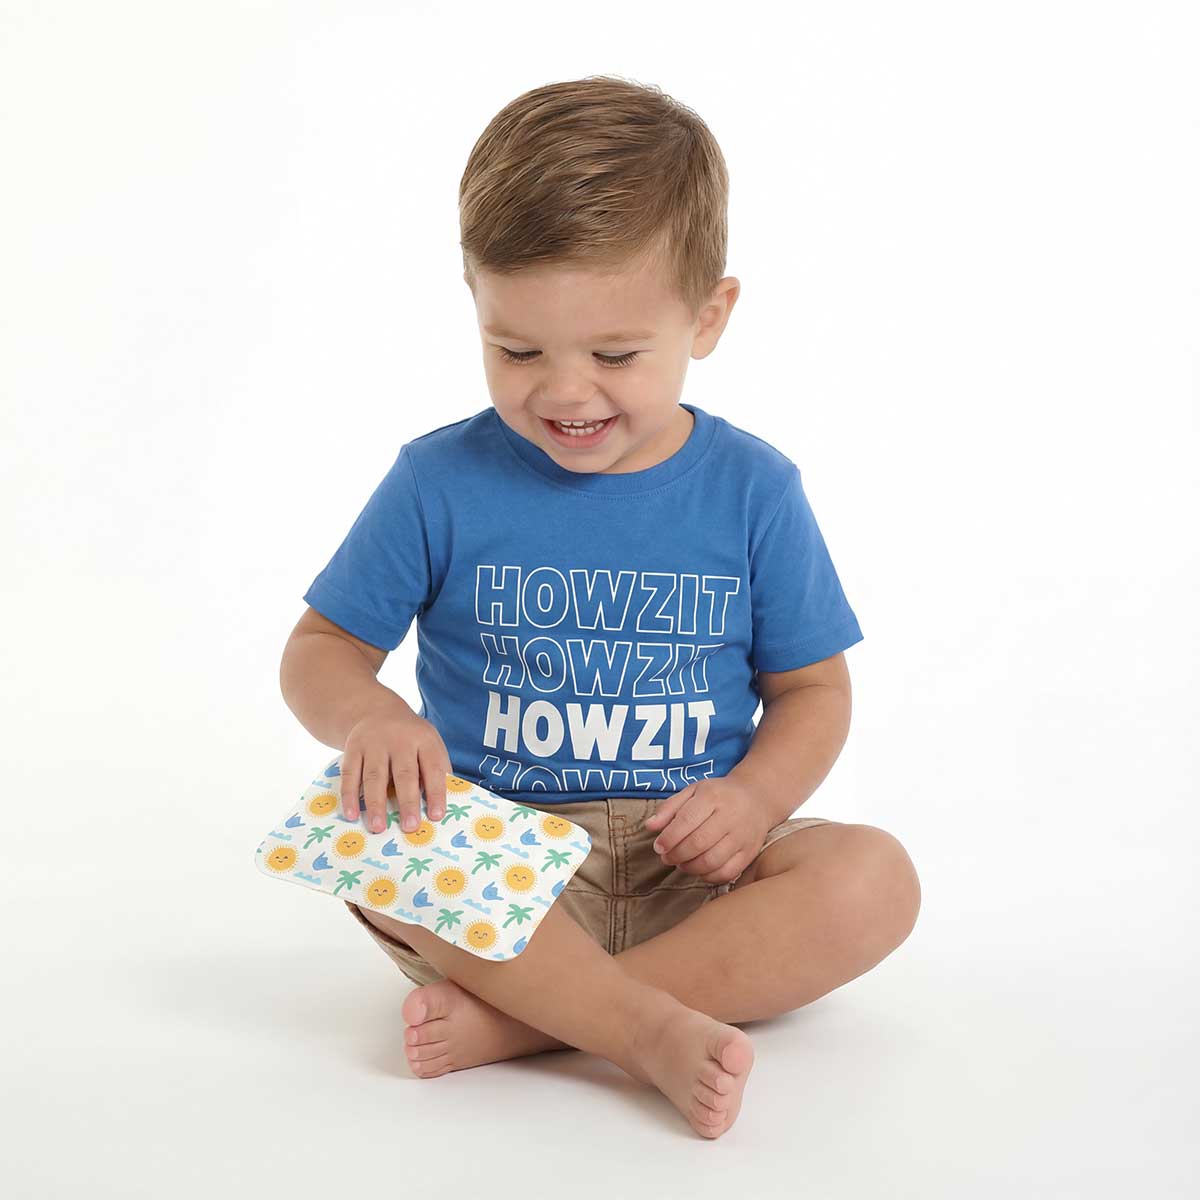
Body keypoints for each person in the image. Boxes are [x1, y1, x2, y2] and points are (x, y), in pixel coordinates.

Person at [278, 74, 921, 1139]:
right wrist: (373, 720)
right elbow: (321, 648)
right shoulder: (439, 482)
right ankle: (635, 1024)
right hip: (508, 874)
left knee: (875, 878)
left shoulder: (754, 491)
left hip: (697, 872)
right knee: (372, 839)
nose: (565, 392)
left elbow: (814, 690)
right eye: (516, 350)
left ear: (707, 317)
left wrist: (754, 799)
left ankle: (531, 1024)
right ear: (475, 304)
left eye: (615, 355)